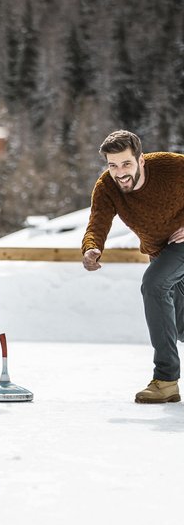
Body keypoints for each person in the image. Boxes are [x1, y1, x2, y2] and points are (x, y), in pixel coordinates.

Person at [82, 129, 184, 403]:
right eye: (112, 165)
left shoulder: (172, 166)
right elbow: (98, 221)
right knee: (181, 325)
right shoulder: (107, 186)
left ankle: (165, 380)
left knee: (153, 284)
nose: (120, 172)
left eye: (126, 163)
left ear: (141, 160)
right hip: (160, 252)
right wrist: (92, 247)